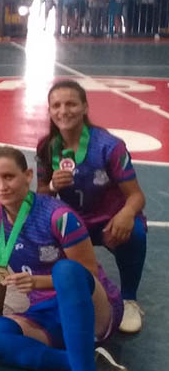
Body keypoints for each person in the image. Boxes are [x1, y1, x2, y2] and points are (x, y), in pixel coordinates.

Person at [0, 146, 135, 371]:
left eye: (9, 177)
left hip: (92, 308)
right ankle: (88, 362)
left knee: (65, 270)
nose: (1, 186)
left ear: (28, 176)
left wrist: (38, 281)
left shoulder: (58, 216)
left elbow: (87, 272)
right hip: (46, 312)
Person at [35, 80, 147, 333]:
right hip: (75, 220)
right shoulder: (47, 146)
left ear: (85, 107)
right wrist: (52, 185)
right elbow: (42, 195)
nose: (64, 111)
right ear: (50, 111)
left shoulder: (109, 146)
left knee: (135, 233)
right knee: (43, 228)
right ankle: (56, 293)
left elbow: (137, 196)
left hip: (111, 219)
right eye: (57, 105)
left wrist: (126, 214)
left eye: (71, 104)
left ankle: (129, 299)